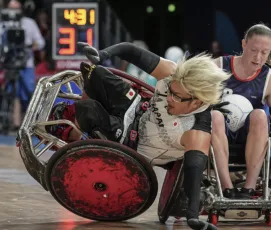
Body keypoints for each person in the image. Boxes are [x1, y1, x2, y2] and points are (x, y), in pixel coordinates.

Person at [46, 41, 231, 230]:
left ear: (196, 102)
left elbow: (193, 174)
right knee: (95, 71)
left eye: (176, 96)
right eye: (170, 90)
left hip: (131, 143)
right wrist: (102, 54)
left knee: (87, 110)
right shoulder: (172, 73)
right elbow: (130, 50)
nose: (169, 97)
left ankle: (73, 136)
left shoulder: (196, 132)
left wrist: (193, 217)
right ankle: (77, 123)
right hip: (135, 107)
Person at [211, 23, 271, 199]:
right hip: (218, 132)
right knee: (215, 115)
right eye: (254, 50)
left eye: (264, 53)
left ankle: (248, 188)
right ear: (243, 44)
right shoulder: (217, 67)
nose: (258, 57)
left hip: (251, 137)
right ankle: (227, 187)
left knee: (260, 115)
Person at [0, 0, 45, 129]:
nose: (13, 12)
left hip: (26, 63)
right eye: (10, 9)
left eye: (16, 9)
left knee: (29, 92)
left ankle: (34, 122)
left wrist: (29, 47)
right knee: (12, 94)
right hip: (9, 63)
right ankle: (15, 124)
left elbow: (40, 42)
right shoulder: (2, 24)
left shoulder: (29, 23)